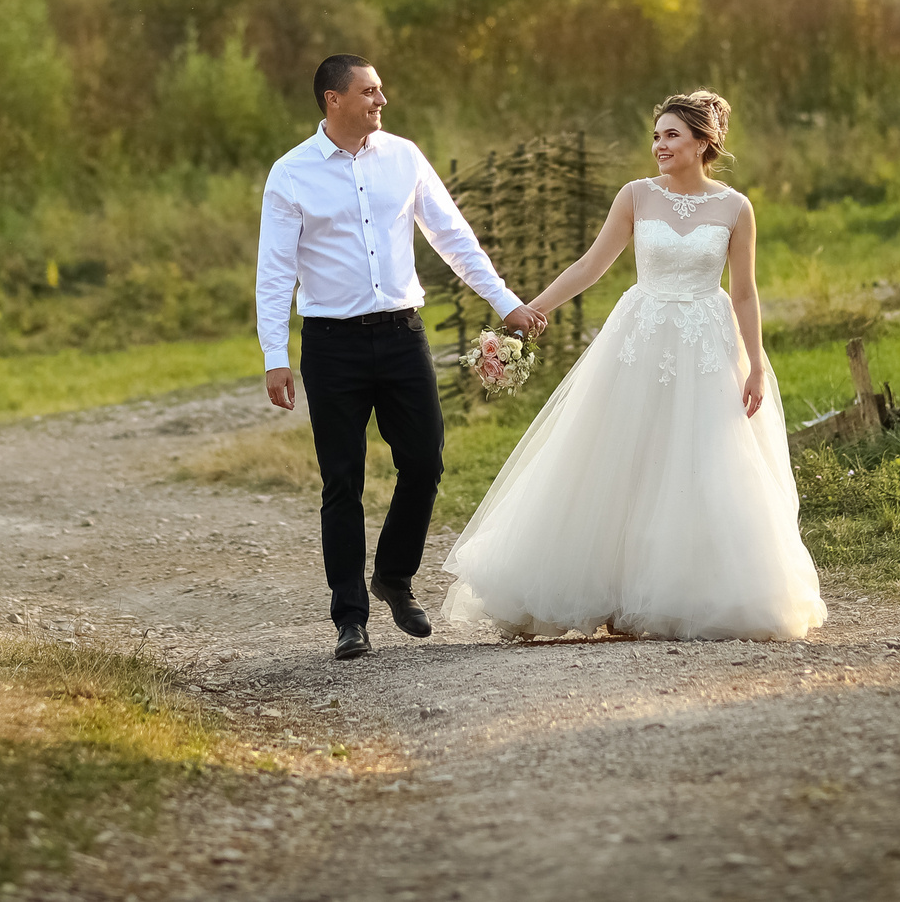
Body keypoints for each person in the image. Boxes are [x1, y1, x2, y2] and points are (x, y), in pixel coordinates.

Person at [439, 90, 826, 641]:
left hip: (706, 343)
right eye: (656, 135)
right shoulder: (637, 197)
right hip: (640, 337)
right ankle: (602, 591)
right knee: (621, 457)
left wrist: (756, 366)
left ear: (702, 142)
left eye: (671, 135)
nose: (659, 145)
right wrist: (532, 310)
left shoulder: (735, 208)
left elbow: (744, 294)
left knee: (700, 462)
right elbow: (593, 264)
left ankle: (680, 592)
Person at [257, 54, 546, 661]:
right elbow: (275, 271)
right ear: (333, 101)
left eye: (381, 90)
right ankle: (350, 618)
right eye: (369, 92)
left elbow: (453, 236)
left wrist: (506, 302)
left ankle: (393, 575)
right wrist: (274, 355)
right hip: (332, 344)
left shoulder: (405, 157)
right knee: (343, 480)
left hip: (401, 335)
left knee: (426, 460)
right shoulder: (290, 175)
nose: (380, 101)